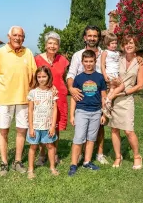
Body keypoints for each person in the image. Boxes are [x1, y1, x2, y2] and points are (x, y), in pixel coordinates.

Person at [0, 26, 37, 176]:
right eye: (15, 35)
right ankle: (4, 163)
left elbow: (34, 75)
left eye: (21, 36)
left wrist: (32, 93)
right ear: (9, 36)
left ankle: (17, 161)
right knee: (4, 130)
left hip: (23, 99)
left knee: (22, 130)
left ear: (24, 38)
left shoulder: (28, 53)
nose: (18, 38)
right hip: (4, 99)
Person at [66, 25, 108, 164]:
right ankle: (80, 154)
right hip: (83, 96)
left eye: (95, 36)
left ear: (98, 38)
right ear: (85, 37)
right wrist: (71, 88)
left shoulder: (105, 54)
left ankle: (99, 154)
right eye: (89, 35)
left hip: (100, 93)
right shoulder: (78, 55)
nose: (92, 38)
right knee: (81, 127)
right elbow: (71, 74)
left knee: (101, 126)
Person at [107, 35, 143, 170]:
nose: (128, 45)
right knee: (114, 129)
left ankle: (136, 156)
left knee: (129, 130)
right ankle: (118, 157)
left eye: (131, 43)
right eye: (126, 43)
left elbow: (140, 85)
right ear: (122, 46)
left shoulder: (140, 62)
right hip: (114, 98)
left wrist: (125, 92)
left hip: (127, 99)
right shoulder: (117, 59)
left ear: (135, 45)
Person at [34, 31, 70, 165]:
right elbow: (35, 78)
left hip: (59, 97)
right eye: (50, 43)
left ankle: (54, 153)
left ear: (58, 46)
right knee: (43, 125)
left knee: (56, 126)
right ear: (45, 45)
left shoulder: (63, 60)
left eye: (55, 43)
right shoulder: (37, 59)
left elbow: (63, 77)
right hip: (43, 97)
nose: (52, 46)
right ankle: (42, 154)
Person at [26, 66, 59, 179]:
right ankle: (30, 169)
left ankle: (52, 167)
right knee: (33, 147)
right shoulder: (32, 92)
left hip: (48, 126)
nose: (41, 79)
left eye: (44, 76)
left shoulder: (52, 92)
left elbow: (55, 110)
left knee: (50, 146)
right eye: (39, 77)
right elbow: (30, 110)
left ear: (49, 77)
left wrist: (53, 126)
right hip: (35, 126)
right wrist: (31, 127)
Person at [100, 31, 124, 118]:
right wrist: (104, 74)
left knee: (112, 89)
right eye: (112, 43)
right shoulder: (105, 52)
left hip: (116, 73)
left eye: (115, 43)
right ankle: (109, 100)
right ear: (107, 44)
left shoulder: (117, 53)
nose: (114, 45)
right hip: (110, 73)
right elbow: (102, 64)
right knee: (121, 86)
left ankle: (106, 105)